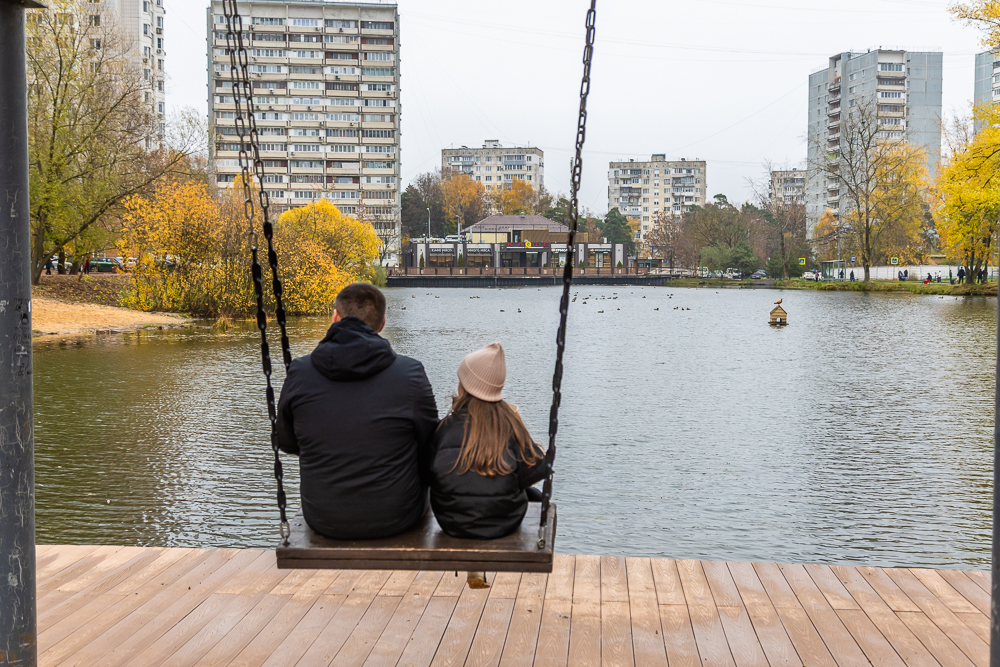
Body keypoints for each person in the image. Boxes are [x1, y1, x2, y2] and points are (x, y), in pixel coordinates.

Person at [277, 283, 439, 540]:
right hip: (397, 516)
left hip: (324, 518)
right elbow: (430, 444)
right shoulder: (410, 373)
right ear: (382, 324)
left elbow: (286, 442)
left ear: (334, 317)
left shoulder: (299, 372)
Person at [429, 342, 546, 540]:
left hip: (451, 522)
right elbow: (539, 468)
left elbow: (427, 471)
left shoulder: (445, 427)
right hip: (504, 522)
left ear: (464, 386)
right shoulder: (509, 425)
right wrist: (519, 423)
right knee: (530, 491)